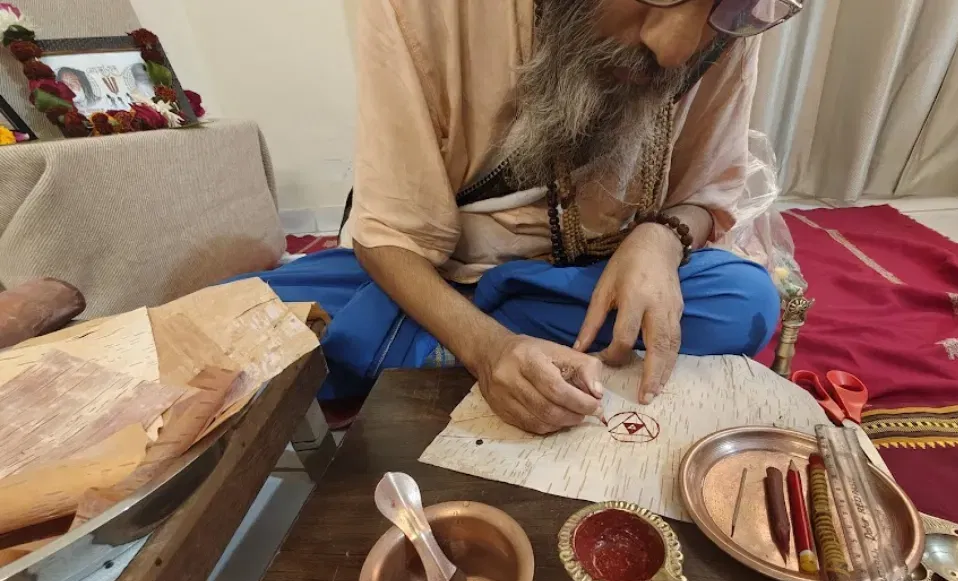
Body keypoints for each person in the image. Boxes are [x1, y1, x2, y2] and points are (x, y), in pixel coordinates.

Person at [241, 0, 803, 434]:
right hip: (447, 266)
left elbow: (709, 192)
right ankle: (464, 336)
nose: (676, 48)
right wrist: (488, 352)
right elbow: (388, 233)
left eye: (724, 7)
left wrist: (661, 238)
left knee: (744, 299)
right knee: (237, 328)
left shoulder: (732, 22)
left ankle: (416, 347)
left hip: (595, 279)